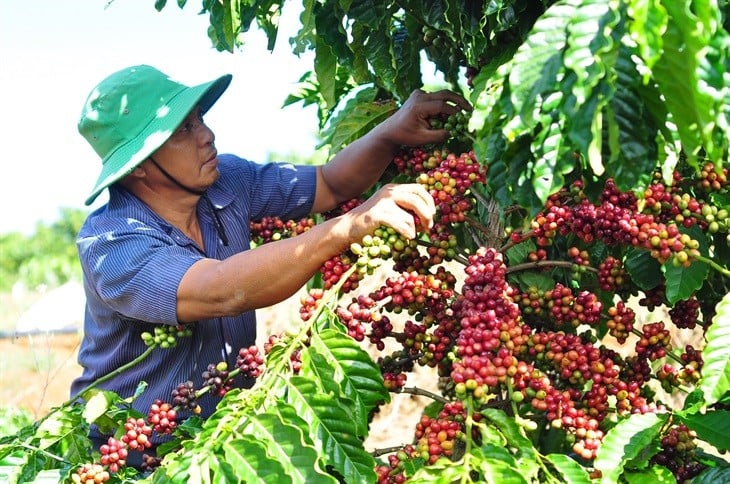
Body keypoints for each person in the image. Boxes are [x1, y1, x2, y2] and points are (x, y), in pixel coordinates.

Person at [71, 64, 471, 461]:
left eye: (200, 120)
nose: (207, 136)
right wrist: (344, 228)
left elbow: (329, 183)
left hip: (222, 439)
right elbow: (220, 290)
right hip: (133, 460)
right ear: (139, 164)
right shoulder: (111, 244)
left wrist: (392, 131)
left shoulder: (226, 180)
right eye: (183, 131)